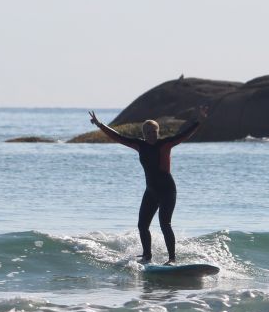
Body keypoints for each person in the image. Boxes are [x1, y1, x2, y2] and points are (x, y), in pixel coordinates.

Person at [88, 107, 208, 265]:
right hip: (151, 191)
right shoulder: (139, 145)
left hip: (167, 190)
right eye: (149, 133)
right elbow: (118, 136)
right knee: (142, 225)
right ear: (144, 134)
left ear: (158, 132)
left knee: (165, 224)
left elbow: (184, 135)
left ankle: (172, 259)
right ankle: (147, 256)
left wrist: (198, 120)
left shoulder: (166, 144)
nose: (152, 135)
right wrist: (99, 124)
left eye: (154, 132)